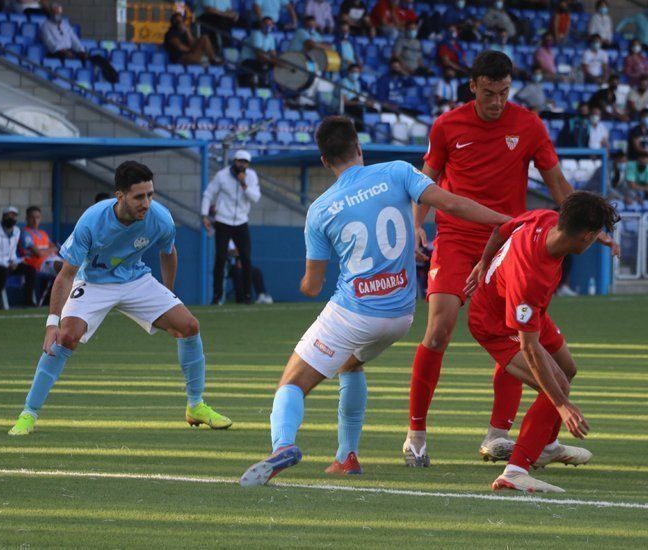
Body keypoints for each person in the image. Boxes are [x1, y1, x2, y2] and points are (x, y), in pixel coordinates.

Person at [239, 116, 511, 485]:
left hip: (355, 311)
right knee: (350, 365)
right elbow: (452, 203)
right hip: (401, 313)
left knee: (291, 384)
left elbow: (312, 285)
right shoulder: (398, 171)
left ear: (323, 160)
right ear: (359, 147)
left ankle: (281, 446)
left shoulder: (320, 209)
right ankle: (346, 457)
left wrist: (304, 281)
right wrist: (505, 221)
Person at [403, 51, 618, 467]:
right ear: (472, 87)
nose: (497, 102)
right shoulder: (448, 125)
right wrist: (417, 223)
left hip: (508, 244)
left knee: (520, 331)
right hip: (457, 238)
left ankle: (499, 435)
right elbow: (424, 180)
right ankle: (416, 433)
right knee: (440, 327)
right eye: (489, 93)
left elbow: (557, 183)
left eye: (504, 92)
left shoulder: (528, 125)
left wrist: (593, 224)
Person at [7, 161, 231, 436]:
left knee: (189, 326)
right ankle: (28, 413)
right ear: (120, 196)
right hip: (94, 282)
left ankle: (196, 405)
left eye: (150, 194)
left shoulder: (160, 218)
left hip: (135, 279)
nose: (146, 203)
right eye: (139, 196)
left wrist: (168, 293)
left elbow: (168, 251)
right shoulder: (92, 221)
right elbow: (66, 275)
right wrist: (52, 322)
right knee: (65, 338)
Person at [464, 192, 618, 492]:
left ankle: (546, 446)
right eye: (597, 234)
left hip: (527, 310)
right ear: (585, 236)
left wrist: (483, 262)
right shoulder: (530, 276)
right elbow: (529, 347)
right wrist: (562, 405)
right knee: (556, 387)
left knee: (567, 369)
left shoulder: (545, 217)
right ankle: (516, 471)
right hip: (496, 324)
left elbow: (501, 229)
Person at [201, 150, 261, 305]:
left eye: (245, 162)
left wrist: (244, 184)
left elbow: (255, 198)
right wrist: (204, 215)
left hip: (241, 222)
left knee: (246, 259)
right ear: (234, 161)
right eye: (240, 161)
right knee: (220, 259)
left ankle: (247, 296)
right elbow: (208, 194)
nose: (242, 164)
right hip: (223, 221)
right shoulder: (222, 175)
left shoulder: (251, 176)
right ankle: (216, 296)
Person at [40, 3, 117, 83]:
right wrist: (64, 51)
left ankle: (113, 78)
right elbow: (50, 43)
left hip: (70, 51)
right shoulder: (45, 26)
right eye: (55, 12)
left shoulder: (65, 24)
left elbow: (74, 39)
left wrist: (81, 51)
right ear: (51, 12)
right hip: (57, 53)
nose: (57, 15)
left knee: (97, 57)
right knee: (68, 56)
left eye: (58, 13)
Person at [0, 206, 37, 310]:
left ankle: (29, 301)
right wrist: (7, 264)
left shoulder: (16, 231)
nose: (11, 218)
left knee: (30, 269)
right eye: (9, 216)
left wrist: (15, 262)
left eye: (14, 216)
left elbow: (12, 252)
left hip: (8, 263)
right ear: (3, 217)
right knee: (4, 272)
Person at [19, 206, 63, 278]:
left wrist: (47, 251)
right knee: (63, 267)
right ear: (27, 218)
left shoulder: (42, 233)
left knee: (73, 266)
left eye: (37, 217)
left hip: (52, 259)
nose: (35, 220)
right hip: (37, 263)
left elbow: (56, 249)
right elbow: (38, 253)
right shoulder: (25, 233)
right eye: (32, 217)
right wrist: (52, 250)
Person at [239, 17, 278, 88]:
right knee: (264, 64)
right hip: (247, 61)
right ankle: (260, 85)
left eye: (270, 24)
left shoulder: (271, 37)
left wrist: (277, 62)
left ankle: (268, 86)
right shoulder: (256, 34)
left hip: (260, 62)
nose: (268, 26)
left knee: (273, 65)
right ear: (262, 25)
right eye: (266, 24)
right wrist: (273, 60)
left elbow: (274, 55)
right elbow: (259, 55)